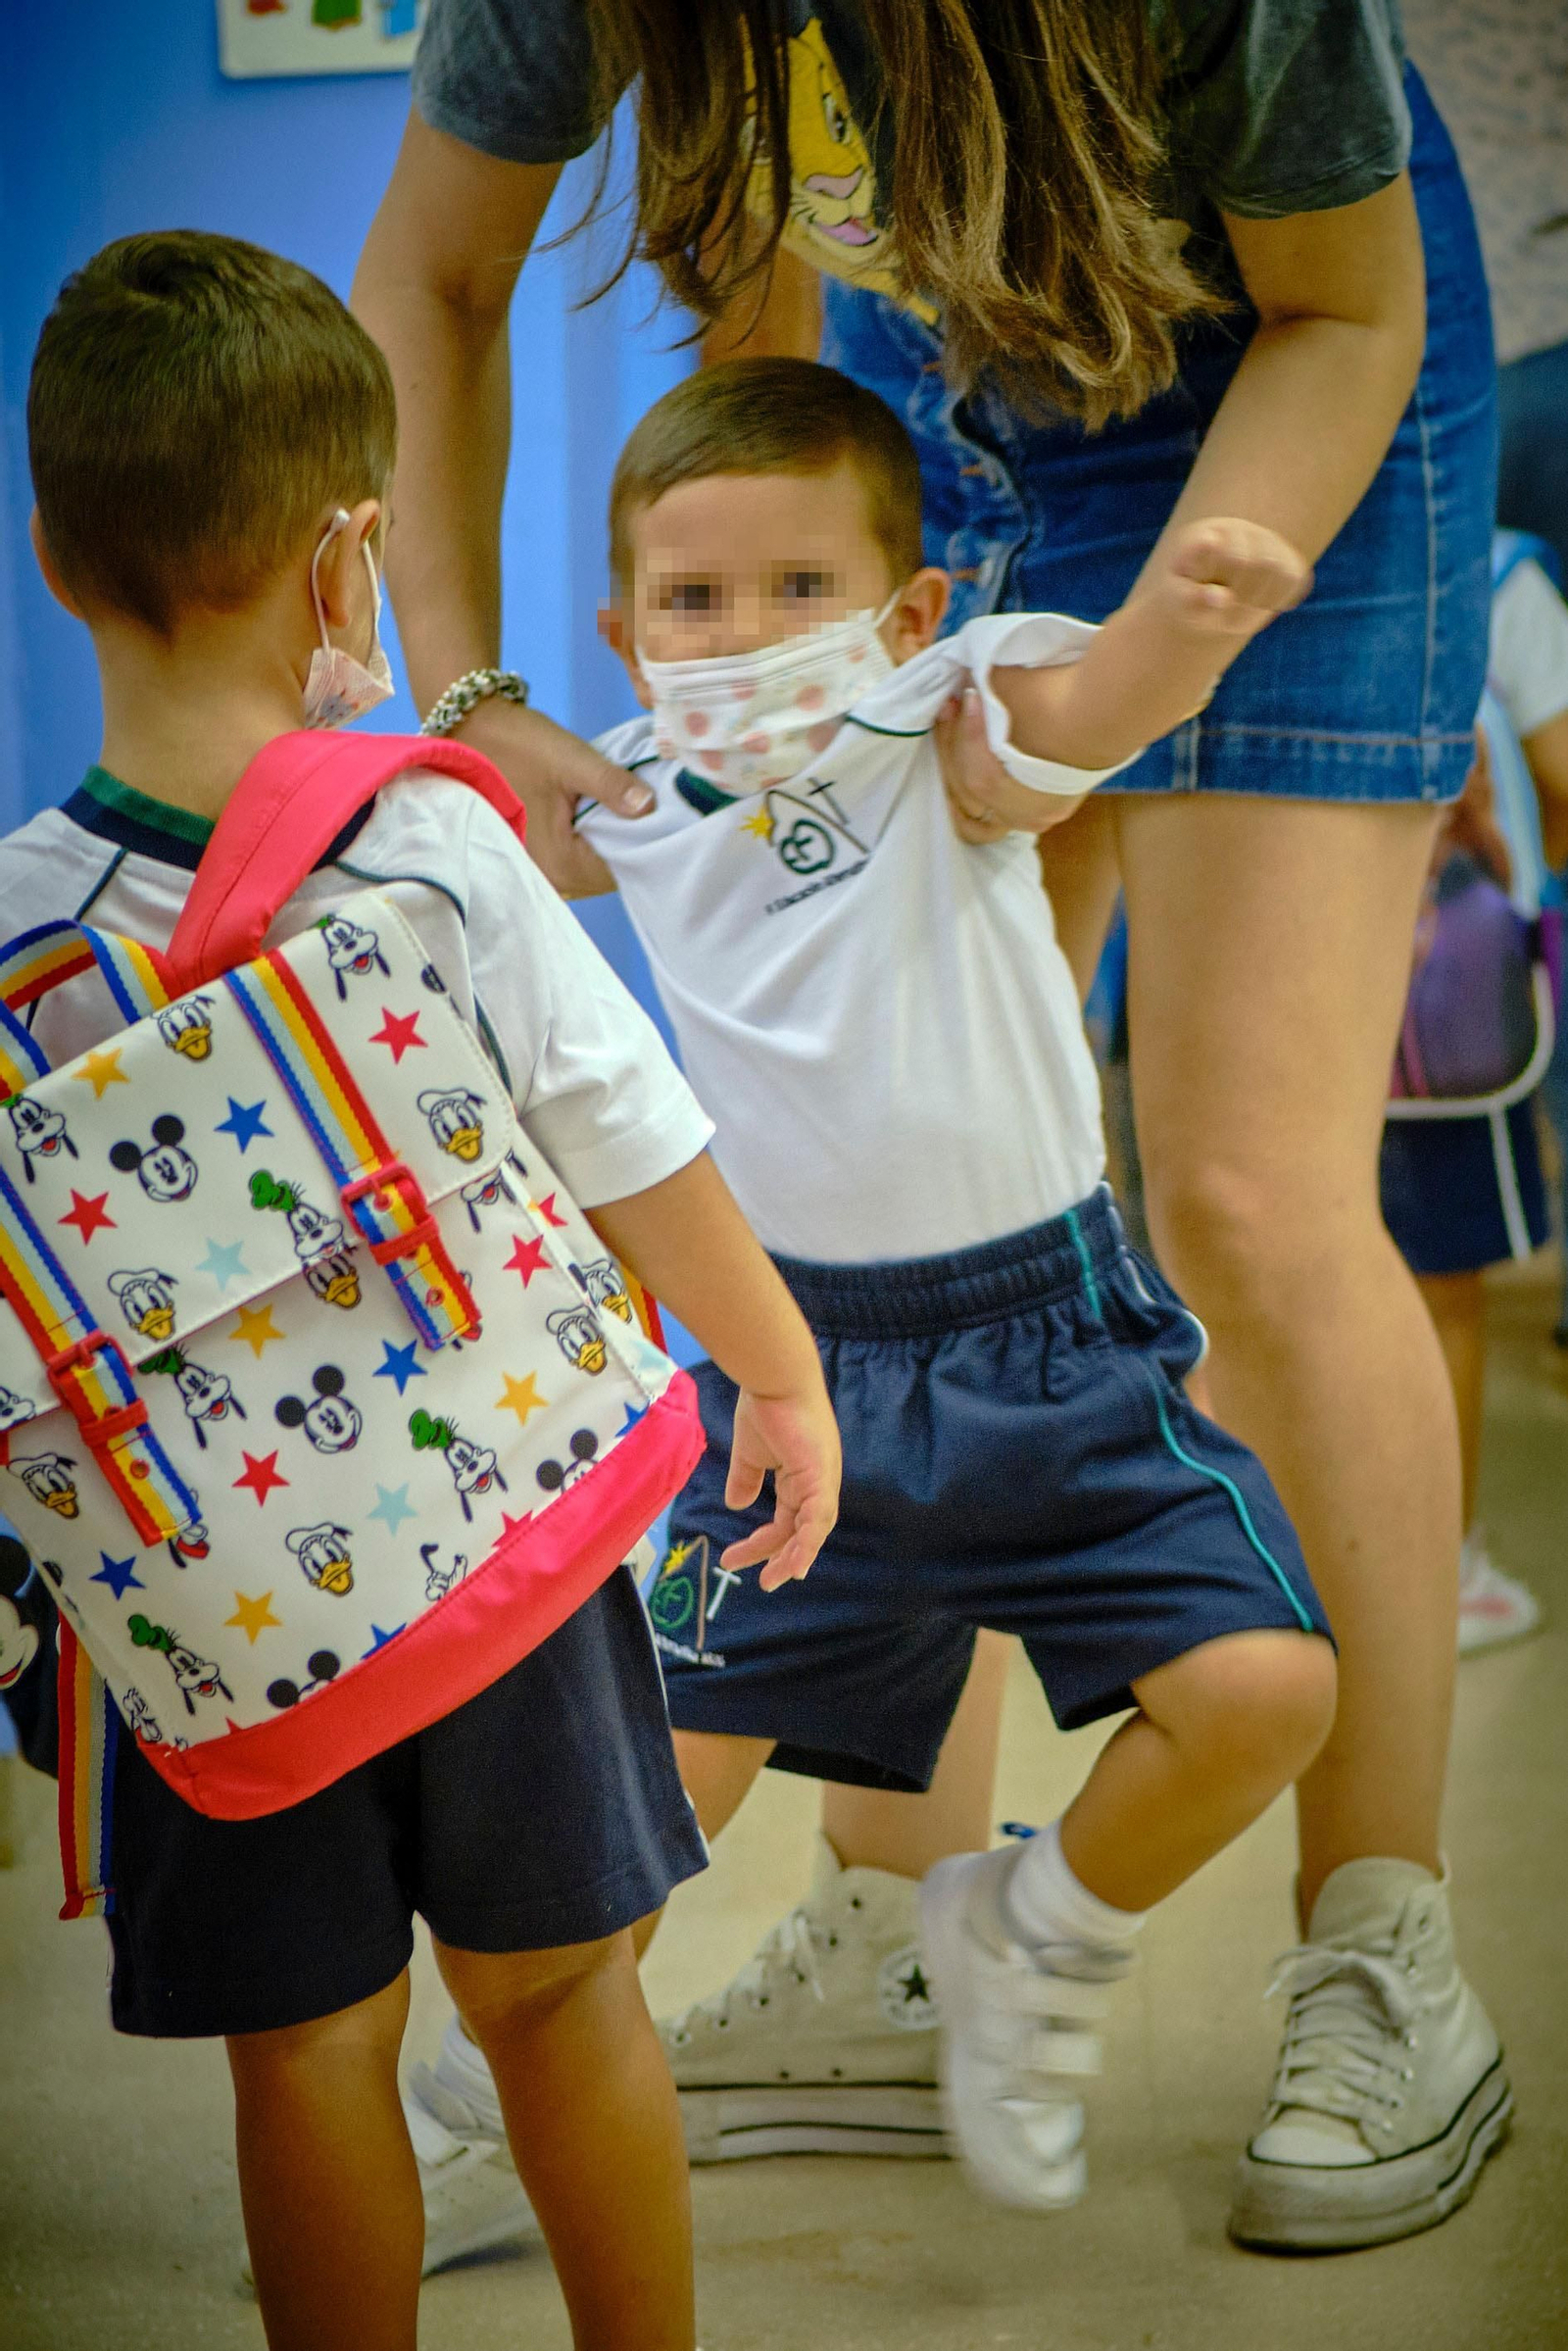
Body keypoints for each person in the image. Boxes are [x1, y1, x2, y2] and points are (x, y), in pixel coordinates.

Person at [353, 0, 1504, 2254]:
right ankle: (884, 1950)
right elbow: (437, 271)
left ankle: (1377, 1946)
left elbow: (1334, 300)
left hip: (1281, 364)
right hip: (929, 381)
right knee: (901, 1161)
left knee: (1245, 1189)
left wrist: (1147, 649)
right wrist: (472, 698)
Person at [12, 229, 841, 2351]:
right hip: (504, 1544)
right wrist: (776, 1369)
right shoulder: (431, 848)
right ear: (345, 558)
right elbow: (630, 1139)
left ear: (51, 552)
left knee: (299, 2048)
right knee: (561, 1988)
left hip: (217, 1629)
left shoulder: (14, 921)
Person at [1382, 532, 1568, 1652]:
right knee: (1445, 1284)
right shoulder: (1498, 577)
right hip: (1458, 1012)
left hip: (1272, 982)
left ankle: (1289, 1547)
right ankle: (1439, 1572)